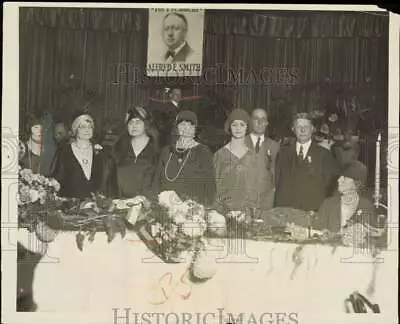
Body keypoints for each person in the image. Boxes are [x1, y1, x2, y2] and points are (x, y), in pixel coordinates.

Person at [275, 112, 338, 212]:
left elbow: (328, 186)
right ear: (293, 129)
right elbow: (278, 183)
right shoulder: (283, 153)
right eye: (299, 126)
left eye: (306, 126)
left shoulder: (324, 155)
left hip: (312, 210)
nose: (303, 130)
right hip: (287, 210)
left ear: (312, 129)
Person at [152, 110, 215, 206]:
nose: (186, 128)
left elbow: (210, 185)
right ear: (177, 127)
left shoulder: (203, 152)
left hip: (192, 208)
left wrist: (207, 208)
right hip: (166, 206)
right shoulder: (166, 151)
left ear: (195, 128)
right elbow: (156, 181)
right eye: (182, 124)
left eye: (191, 125)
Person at [52, 110, 116, 199]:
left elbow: (108, 183)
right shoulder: (64, 151)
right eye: (82, 127)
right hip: (72, 206)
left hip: (95, 207)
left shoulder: (100, 153)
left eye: (90, 127)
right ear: (75, 130)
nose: (87, 130)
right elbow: (57, 181)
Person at [313, 160, 377, 233]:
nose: (339, 180)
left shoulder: (366, 206)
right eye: (340, 177)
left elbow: (373, 236)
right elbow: (316, 234)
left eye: (344, 177)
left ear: (357, 183)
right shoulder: (328, 204)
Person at [213, 109, 256, 215]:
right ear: (229, 127)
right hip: (224, 212)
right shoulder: (220, 155)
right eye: (234, 124)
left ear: (247, 127)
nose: (238, 128)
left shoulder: (253, 156)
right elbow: (215, 186)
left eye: (242, 125)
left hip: (246, 214)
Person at [113, 107, 159, 199]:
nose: (133, 126)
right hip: (120, 203)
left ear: (146, 124)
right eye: (130, 123)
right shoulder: (119, 148)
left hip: (146, 204)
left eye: (138, 122)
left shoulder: (156, 150)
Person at [244, 108, 280, 212]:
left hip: (266, 204)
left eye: (263, 119)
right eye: (256, 119)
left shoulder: (275, 147)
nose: (260, 122)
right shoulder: (240, 143)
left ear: (267, 123)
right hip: (243, 203)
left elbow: (275, 179)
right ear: (250, 121)